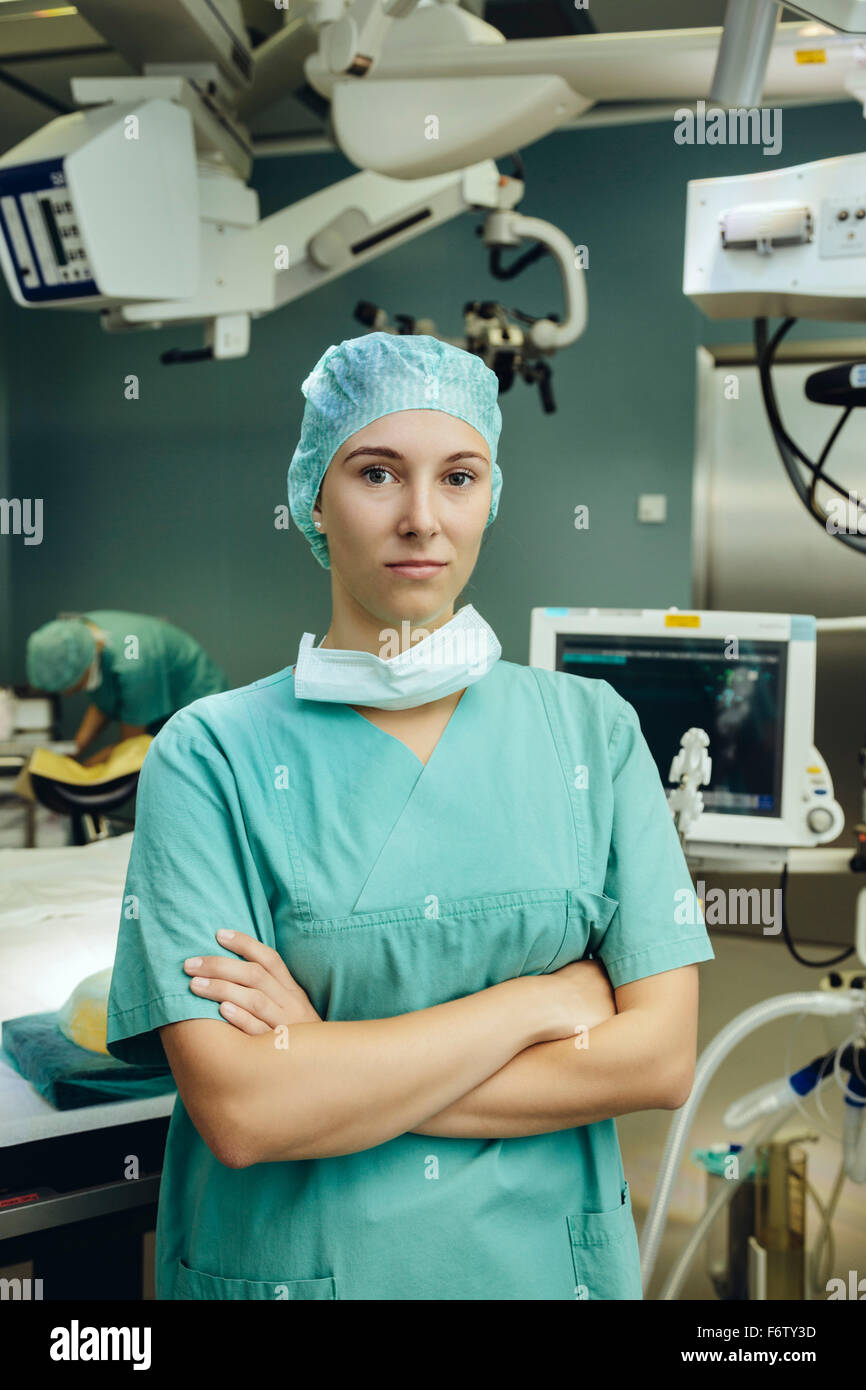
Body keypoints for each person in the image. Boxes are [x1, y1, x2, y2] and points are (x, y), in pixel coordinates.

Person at [106, 332, 715, 1301]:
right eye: (377, 472)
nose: (420, 518)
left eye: (459, 477)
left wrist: (326, 1063)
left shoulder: (588, 732)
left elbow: (656, 1058)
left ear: (490, 499)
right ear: (312, 493)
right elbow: (246, 1106)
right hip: (290, 1268)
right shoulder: (209, 753)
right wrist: (532, 1004)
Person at [25, 611, 228, 763]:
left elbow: (130, 749)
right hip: (156, 700)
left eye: (68, 686)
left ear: (85, 664)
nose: (67, 694)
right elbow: (104, 701)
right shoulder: (84, 633)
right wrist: (76, 749)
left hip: (198, 710)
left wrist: (85, 769)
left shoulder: (133, 663)